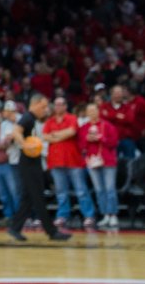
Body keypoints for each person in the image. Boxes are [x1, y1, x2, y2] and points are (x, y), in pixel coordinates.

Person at [6, 94, 71, 241]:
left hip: (32, 162)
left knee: (28, 198)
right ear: (34, 105)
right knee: (38, 197)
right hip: (28, 164)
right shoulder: (28, 117)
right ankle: (52, 232)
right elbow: (16, 131)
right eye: (43, 106)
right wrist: (24, 144)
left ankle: (15, 228)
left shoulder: (32, 118)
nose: (46, 109)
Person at [43, 96, 97, 228]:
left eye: (61, 104)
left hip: (73, 160)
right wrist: (61, 135)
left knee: (81, 190)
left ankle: (89, 215)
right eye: (56, 104)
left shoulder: (72, 118)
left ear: (66, 106)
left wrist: (55, 135)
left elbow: (71, 132)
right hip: (56, 161)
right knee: (61, 192)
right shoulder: (49, 121)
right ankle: (62, 215)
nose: (58, 107)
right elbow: (45, 137)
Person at [79, 103, 120, 228]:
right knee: (99, 190)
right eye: (89, 111)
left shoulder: (107, 125)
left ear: (98, 111)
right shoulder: (84, 127)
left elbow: (114, 142)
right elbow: (80, 145)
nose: (92, 113)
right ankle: (105, 214)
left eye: (94, 110)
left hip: (107, 161)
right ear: (86, 113)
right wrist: (87, 140)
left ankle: (113, 214)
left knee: (110, 189)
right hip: (92, 161)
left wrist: (101, 138)